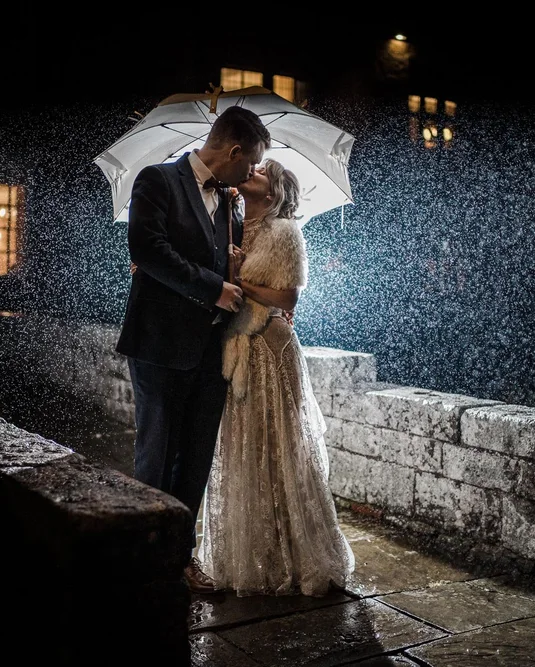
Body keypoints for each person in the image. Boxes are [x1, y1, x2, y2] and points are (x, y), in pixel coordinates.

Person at [115, 105, 271, 593]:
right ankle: (144, 558)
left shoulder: (229, 204)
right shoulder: (156, 180)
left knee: (197, 458)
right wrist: (213, 288)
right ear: (234, 151)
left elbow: (223, 265)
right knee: (155, 456)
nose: (251, 174)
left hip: (211, 351)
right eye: (251, 163)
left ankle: (180, 558)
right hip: (160, 345)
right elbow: (146, 248)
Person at [196, 159, 355, 597]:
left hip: (270, 346)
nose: (253, 169)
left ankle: (297, 555)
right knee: (245, 447)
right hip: (238, 346)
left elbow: (287, 296)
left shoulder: (285, 231)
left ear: (275, 191)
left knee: (278, 445)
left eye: (263, 169)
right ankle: (255, 555)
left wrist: (240, 282)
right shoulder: (231, 223)